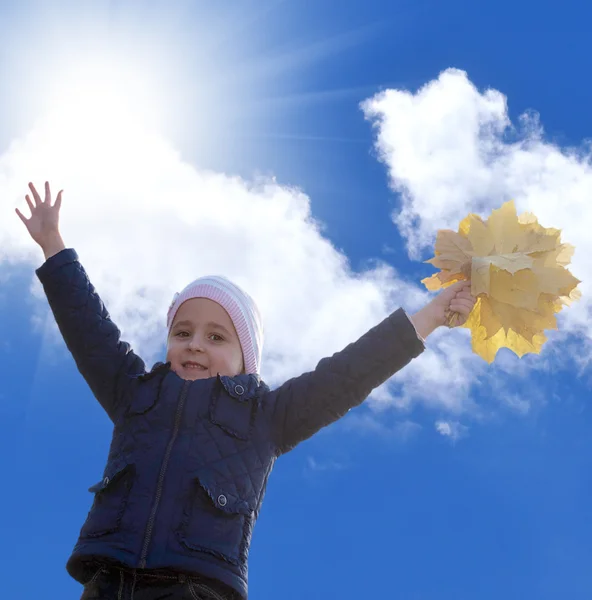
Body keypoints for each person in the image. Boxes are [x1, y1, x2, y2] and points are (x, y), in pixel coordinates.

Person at [16, 182, 476, 600]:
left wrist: (431, 316)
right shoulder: (136, 393)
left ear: (245, 360)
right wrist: (53, 244)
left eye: (217, 337)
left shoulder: (268, 417)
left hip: (197, 589)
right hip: (107, 583)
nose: (195, 343)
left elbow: (350, 373)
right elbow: (88, 329)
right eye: (183, 332)